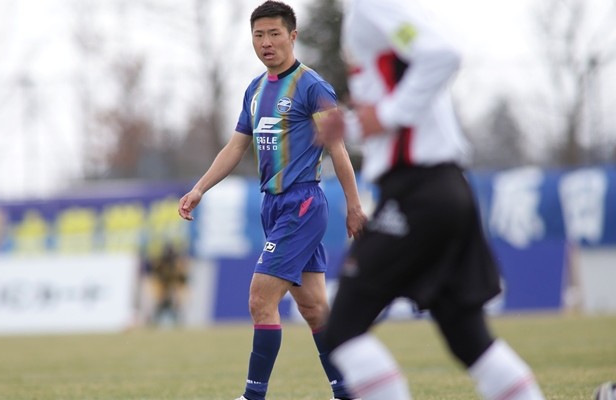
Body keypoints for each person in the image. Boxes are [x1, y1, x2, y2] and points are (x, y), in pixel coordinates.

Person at [316, 0, 547, 399]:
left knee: (343, 330)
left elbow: (442, 55)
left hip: (419, 192)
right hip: (445, 186)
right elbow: (409, 88)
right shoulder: (387, 11)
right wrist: (351, 127)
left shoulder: (372, 7)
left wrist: (385, 115)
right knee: (468, 337)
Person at [178, 2, 367, 399]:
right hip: (273, 206)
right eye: (258, 35)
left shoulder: (312, 86)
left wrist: (353, 205)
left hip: (302, 204)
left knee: (260, 298)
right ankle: (348, 392)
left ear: (292, 36)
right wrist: (199, 189)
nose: (265, 42)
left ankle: (253, 396)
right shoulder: (255, 89)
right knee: (314, 309)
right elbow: (235, 147)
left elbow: (337, 149)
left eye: (274, 34)